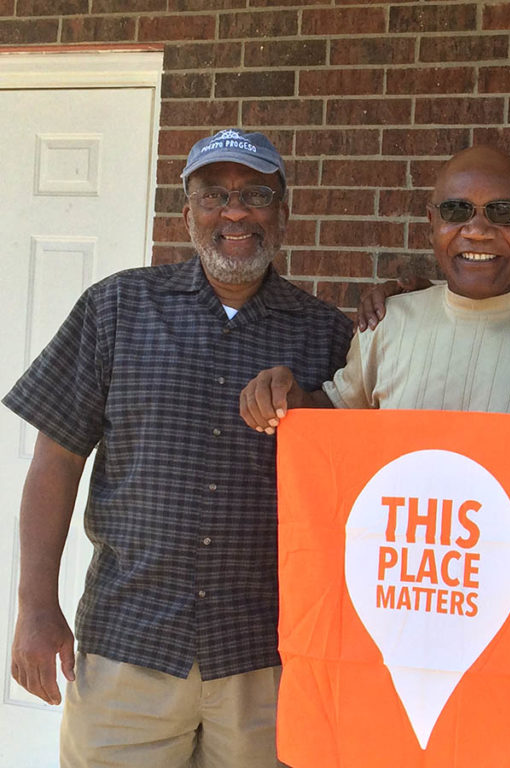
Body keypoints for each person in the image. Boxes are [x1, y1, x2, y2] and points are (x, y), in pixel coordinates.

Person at [4, 129, 352, 768]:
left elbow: (361, 479)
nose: (235, 211)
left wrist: (403, 304)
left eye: (255, 194)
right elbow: (55, 460)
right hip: (127, 647)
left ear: (283, 211)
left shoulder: (328, 334)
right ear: (185, 212)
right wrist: (34, 608)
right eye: (214, 194)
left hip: (266, 659)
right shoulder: (116, 308)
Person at [240, 145, 510, 477]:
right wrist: (286, 399)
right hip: (403, 575)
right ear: (431, 222)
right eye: (456, 211)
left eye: (503, 212)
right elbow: (330, 430)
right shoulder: (386, 325)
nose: (477, 230)